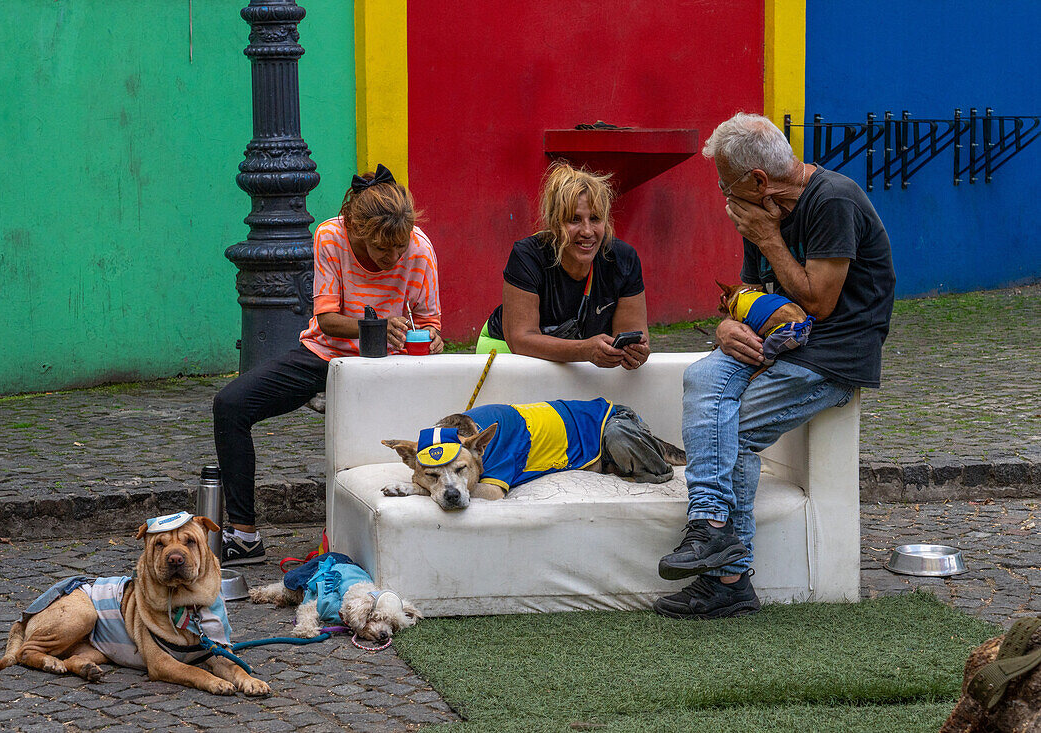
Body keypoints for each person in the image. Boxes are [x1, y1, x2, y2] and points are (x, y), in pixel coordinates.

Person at [653, 113, 895, 619]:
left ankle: (727, 573)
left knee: (733, 430)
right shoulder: (761, 213)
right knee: (702, 375)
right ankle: (713, 533)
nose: (723, 196)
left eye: (725, 184)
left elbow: (820, 303)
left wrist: (768, 238)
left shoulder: (833, 200)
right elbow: (748, 294)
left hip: (833, 356)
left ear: (758, 181)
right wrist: (728, 324)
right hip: (779, 340)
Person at [213, 164, 443, 565]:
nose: (392, 257)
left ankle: (415, 524)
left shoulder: (419, 248)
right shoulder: (331, 236)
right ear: (358, 230)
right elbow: (327, 319)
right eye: (381, 249)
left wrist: (433, 337)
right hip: (324, 354)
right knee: (230, 405)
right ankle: (244, 534)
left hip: (388, 367)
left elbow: (429, 324)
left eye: (399, 247)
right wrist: (373, 325)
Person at [477, 162, 650, 371]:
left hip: (582, 357)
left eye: (595, 219)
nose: (587, 231)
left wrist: (633, 352)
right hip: (506, 350)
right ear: (555, 223)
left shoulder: (624, 259)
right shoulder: (527, 255)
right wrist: (584, 351)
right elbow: (520, 340)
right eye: (574, 220)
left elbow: (631, 333)